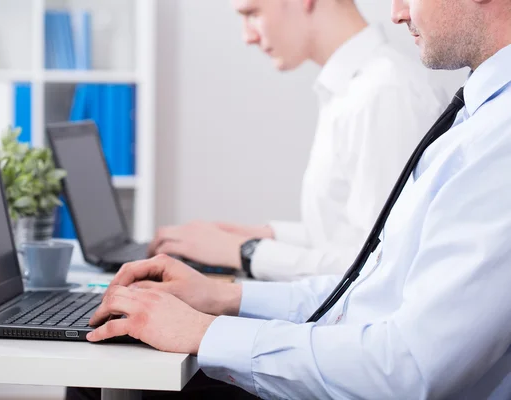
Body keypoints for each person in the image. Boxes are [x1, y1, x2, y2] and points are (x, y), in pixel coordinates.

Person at [71, 0, 511, 397]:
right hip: (361, 355)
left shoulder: (473, 128)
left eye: (252, 12)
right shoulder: (475, 117)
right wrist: (224, 295)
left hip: (376, 374)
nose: (396, 13)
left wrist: (222, 302)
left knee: (105, 372)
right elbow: (374, 279)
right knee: (110, 363)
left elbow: (407, 364)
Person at [146, 0, 446, 282]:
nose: (247, 36)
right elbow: (347, 234)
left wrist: (244, 251)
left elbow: (379, 265)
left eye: (253, 13)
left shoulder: (384, 93)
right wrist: (256, 235)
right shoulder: (355, 88)